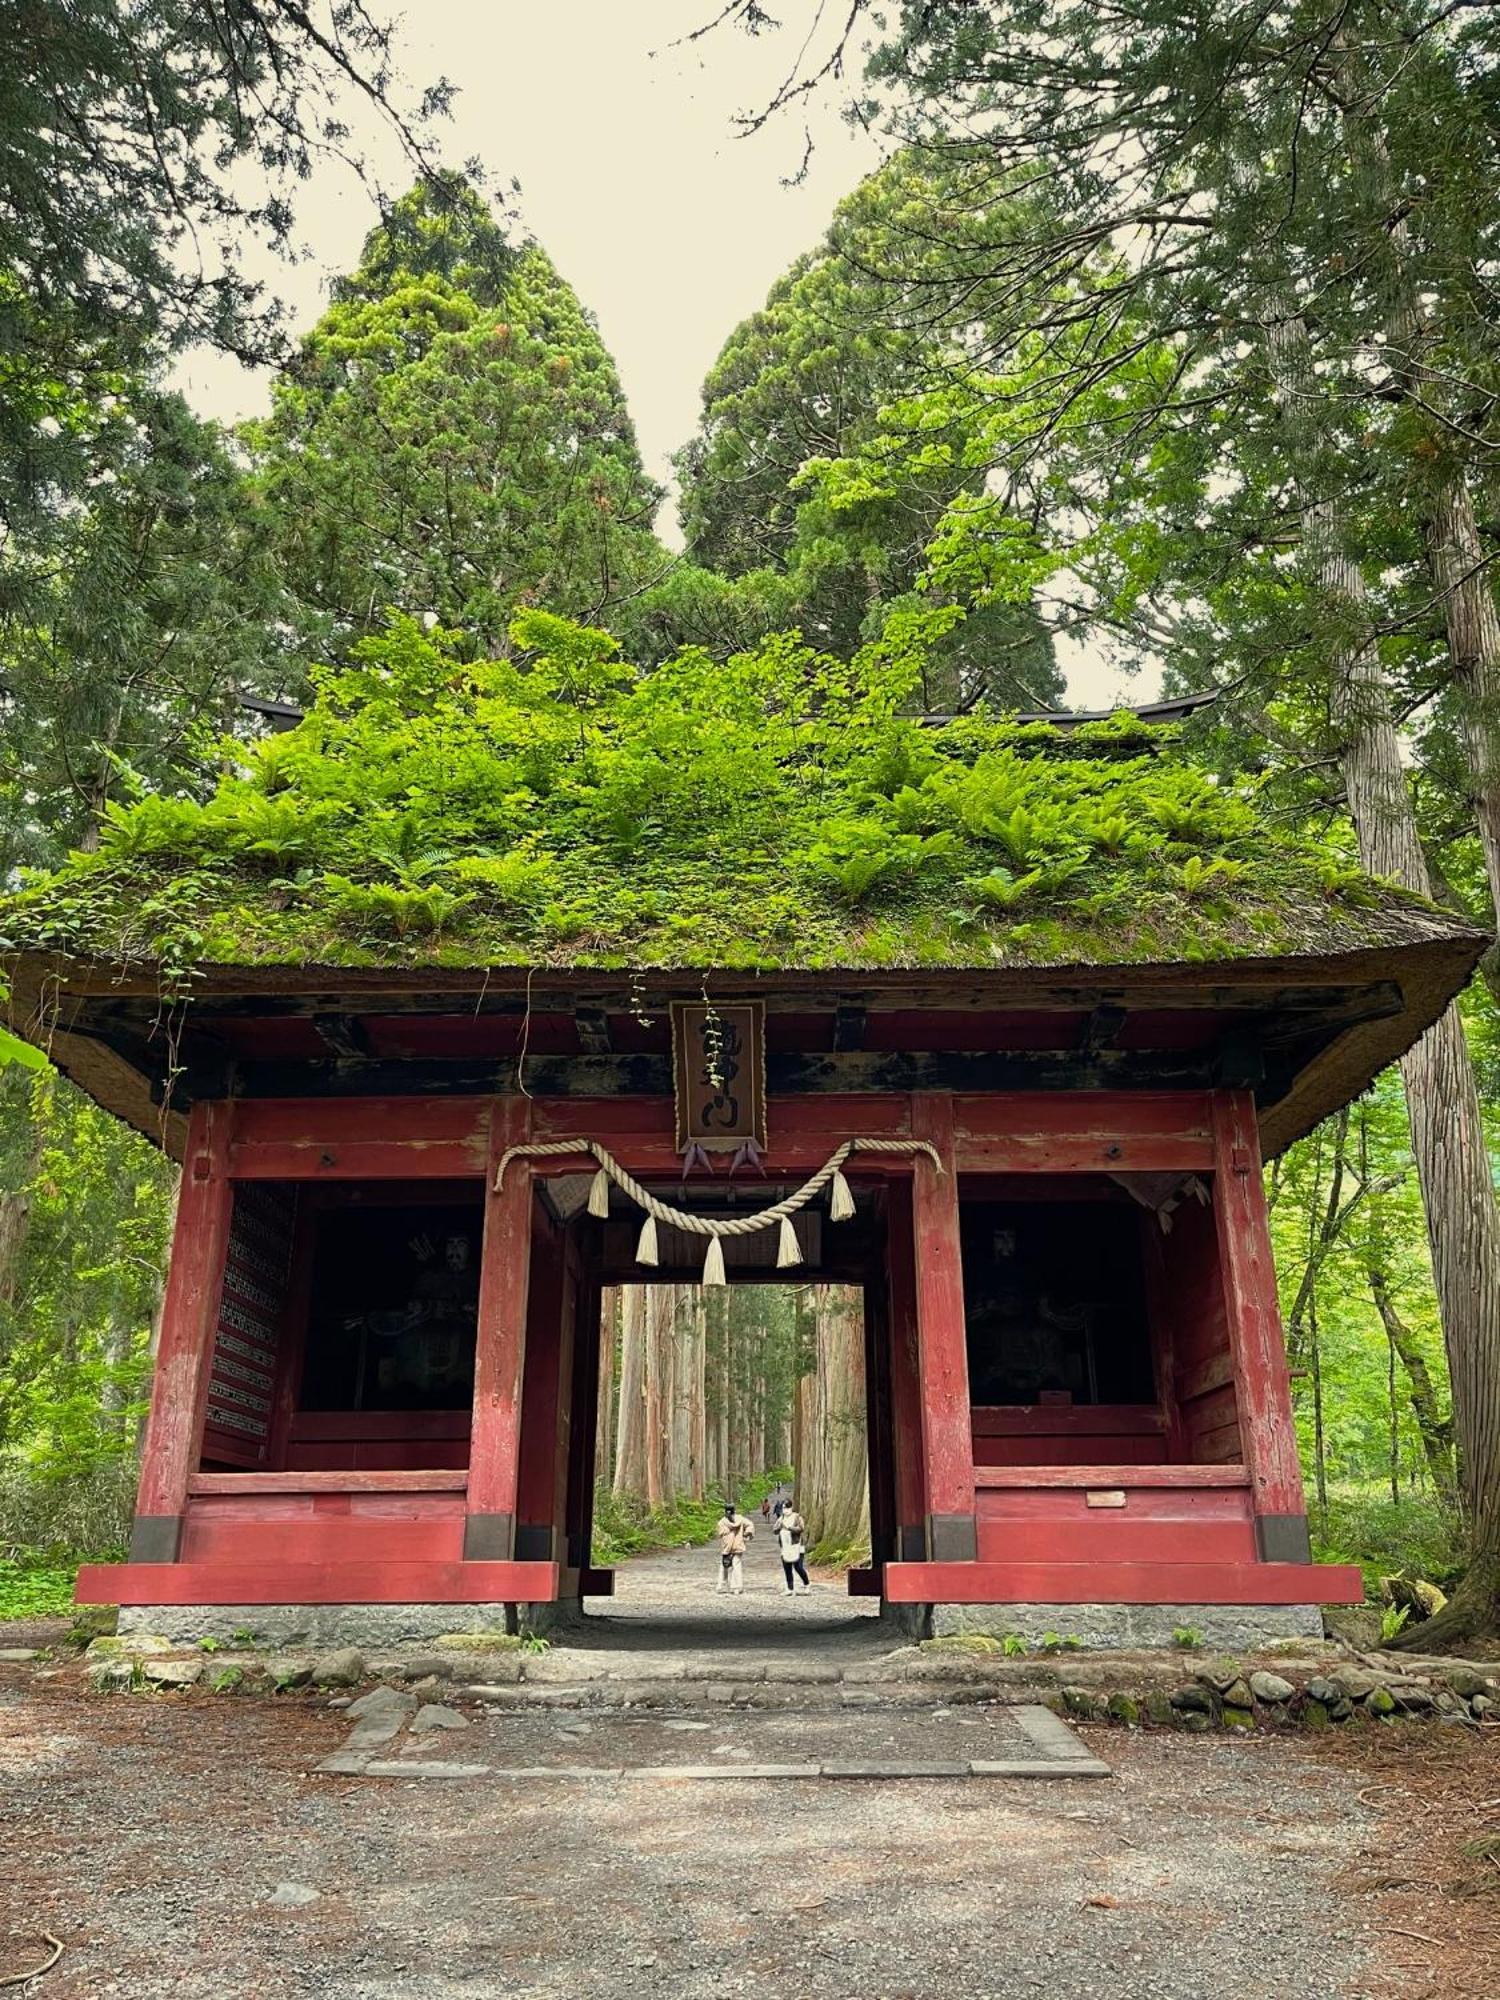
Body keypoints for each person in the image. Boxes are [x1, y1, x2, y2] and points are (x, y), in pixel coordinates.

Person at [713, 1501, 754, 1595]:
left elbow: (720, 1533)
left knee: (724, 1566)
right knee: (736, 1566)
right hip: (738, 1545)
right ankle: (736, 1587)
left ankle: (722, 1585)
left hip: (727, 1547)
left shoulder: (722, 1522)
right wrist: (746, 1533)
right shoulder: (740, 1519)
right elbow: (750, 1525)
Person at [776, 1501, 810, 1594]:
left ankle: (807, 1584)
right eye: (783, 1508)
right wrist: (779, 1526)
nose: (785, 1510)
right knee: (787, 1568)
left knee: (798, 1566)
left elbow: (801, 1528)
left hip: (796, 1545)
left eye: (786, 1508)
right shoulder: (781, 1518)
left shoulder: (797, 1517)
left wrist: (790, 1528)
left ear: (791, 1507)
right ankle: (790, 1589)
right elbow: (775, 1530)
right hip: (785, 1546)